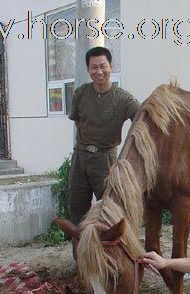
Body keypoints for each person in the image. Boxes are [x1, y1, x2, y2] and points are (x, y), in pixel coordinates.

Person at [68, 46, 140, 227]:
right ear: (88, 70)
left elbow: (141, 121)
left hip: (106, 158)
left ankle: (110, 254)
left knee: (110, 211)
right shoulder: (80, 93)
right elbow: (78, 122)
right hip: (80, 157)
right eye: (94, 67)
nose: (99, 71)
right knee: (77, 210)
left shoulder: (124, 99)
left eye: (103, 66)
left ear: (111, 67)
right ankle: (81, 254)